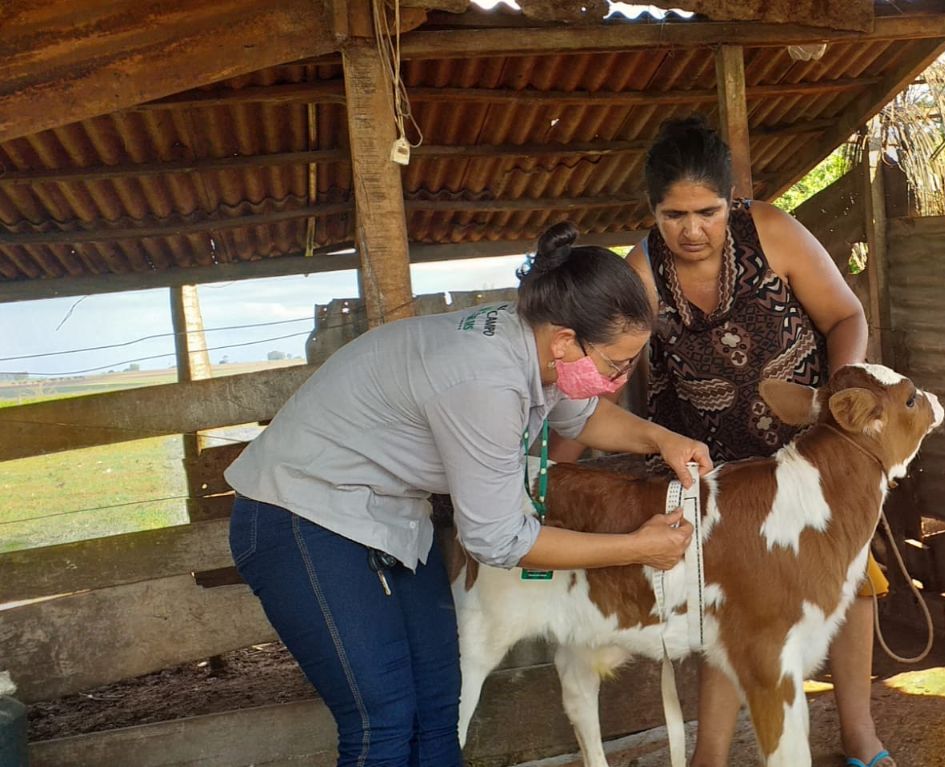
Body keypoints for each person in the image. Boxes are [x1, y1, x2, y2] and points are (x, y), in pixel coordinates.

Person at [223, 220, 713, 767]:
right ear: (567, 341)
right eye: (617, 364)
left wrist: (661, 438)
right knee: (382, 718)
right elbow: (499, 539)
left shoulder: (536, 348)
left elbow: (584, 415)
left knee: (438, 703)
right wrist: (636, 549)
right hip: (301, 515)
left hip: (388, 517)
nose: (621, 378)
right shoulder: (485, 381)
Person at [549, 118, 893, 767]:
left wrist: (838, 405)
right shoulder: (643, 271)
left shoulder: (773, 232)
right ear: (653, 211)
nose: (691, 229)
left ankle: (859, 736)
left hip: (807, 448)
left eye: (707, 211)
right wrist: (548, 477)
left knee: (850, 577)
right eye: (674, 214)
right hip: (715, 464)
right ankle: (709, 757)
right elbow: (593, 383)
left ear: (731, 202)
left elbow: (847, 315)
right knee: (726, 598)